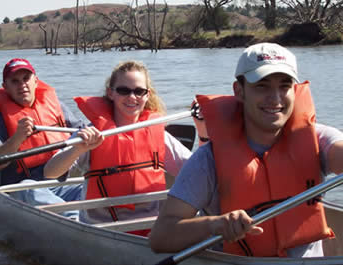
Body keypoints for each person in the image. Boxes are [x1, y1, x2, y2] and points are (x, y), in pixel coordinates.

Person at [149, 43, 343, 257]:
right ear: (239, 91)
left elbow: (339, 153)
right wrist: (216, 225)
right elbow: (160, 236)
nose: (275, 98)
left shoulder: (319, 139)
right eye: (262, 86)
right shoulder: (208, 160)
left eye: (284, 86)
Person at [44, 60, 192, 236]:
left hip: (151, 229)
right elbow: (50, 172)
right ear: (110, 93)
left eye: (139, 91)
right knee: (29, 188)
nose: (132, 97)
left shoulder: (160, 135)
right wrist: (78, 149)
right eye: (123, 90)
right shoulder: (92, 134)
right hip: (103, 230)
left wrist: (205, 133)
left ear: (147, 95)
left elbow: (197, 170)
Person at [0, 58, 84, 216]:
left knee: (88, 188)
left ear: (36, 81)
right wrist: (17, 138)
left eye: (26, 79)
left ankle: (91, 220)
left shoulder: (58, 107)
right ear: (5, 87)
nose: (22, 85)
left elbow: (80, 131)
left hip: (61, 184)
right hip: (22, 188)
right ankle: (75, 219)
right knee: (31, 189)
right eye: (15, 81)